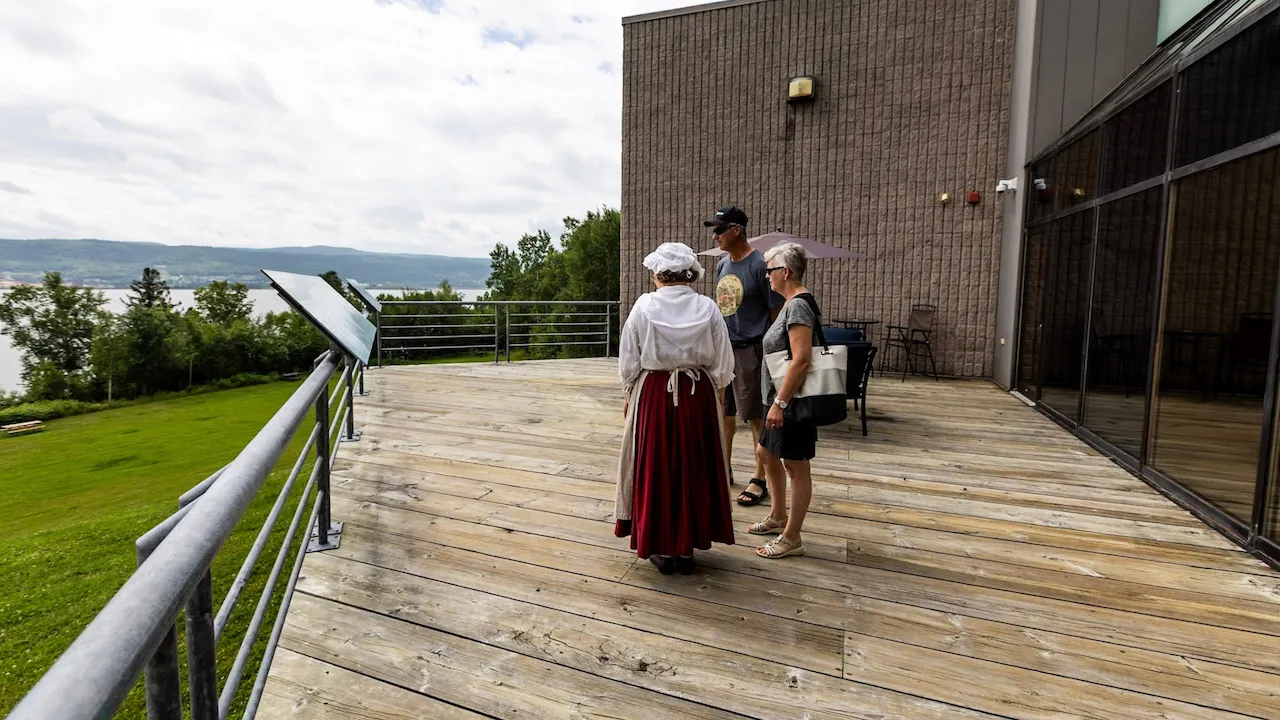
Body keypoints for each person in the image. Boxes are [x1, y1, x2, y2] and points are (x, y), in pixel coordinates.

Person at [615, 242, 737, 575]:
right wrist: (715, 396)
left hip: (654, 393)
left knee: (657, 465)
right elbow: (723, 364)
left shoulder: (643, 307)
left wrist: (629, 392)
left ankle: (664, 547)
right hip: (697, 396)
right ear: (690, 273)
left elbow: (629, 359)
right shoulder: (708, 307)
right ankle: (687, 549)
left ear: (658, 274)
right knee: (694, 466)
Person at [703, 205, 783, 507]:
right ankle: (724, 468)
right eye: (714, 230)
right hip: (724, 350)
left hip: (752, 350)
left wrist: (767, 353)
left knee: (755, 417)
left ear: (737, 229)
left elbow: (775, 312)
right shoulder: (723, 265)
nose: (715, 235)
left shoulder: (760, 265)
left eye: (720, 229)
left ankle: (760, 477)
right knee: (724, 413)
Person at [749, 242, 821, 559]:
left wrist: (780, 402)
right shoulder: (790, 304)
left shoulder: (798, 306)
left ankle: (792, 537)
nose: (766, 276)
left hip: (790, 401)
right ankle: (778, 516)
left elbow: (801, 359)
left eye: (769, 270)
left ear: (785, 271)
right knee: (765, 451)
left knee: (795, 466)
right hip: (776, 398)